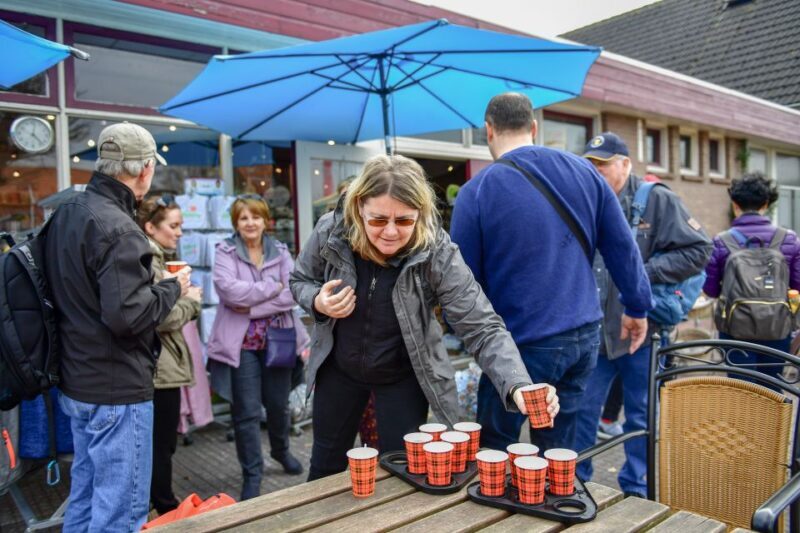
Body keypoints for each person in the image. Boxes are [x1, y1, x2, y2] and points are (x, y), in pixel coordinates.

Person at [290, 154, 559, 481]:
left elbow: (483, 327)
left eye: (404, 221)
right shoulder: (331, 229)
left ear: (420, 213)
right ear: (359, 206)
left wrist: (518, 385)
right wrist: (317, 301)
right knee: (324, 469)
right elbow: (299, 280)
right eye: (378, 220)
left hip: (404, 376)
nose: (390, 232)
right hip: (339, 370)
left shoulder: (437, 250)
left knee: (403, 474)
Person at [450, 93, 653, 454]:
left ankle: (501, 507)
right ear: (533, 127)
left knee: (497, 447)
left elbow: (464, 283)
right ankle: (557, 505)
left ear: (488, 130)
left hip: (519, 343)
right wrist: (637, 308)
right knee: (558, 450)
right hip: (584, 335)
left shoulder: (477, 191)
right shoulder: (587, 173)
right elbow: (623, 248)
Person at [45, 122, 190, 532]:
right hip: (116, 390)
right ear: (145, 169)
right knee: (120, 513)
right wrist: (170, 289)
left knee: (86, 500)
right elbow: (128, 318)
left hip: (78, 381)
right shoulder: (120, 228)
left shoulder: (69, 211)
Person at [573, 132, 712, 499]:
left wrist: (639, 273)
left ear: (626, 164)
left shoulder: (657, 200)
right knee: (581, 414)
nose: (596, 171)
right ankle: (577, 485)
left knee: (642, 418)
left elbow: (700, 250)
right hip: (595, 334)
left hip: (642, 334)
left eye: (603, 164)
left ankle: (637, 493)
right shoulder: (583, 203)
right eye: (590, 164)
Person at [206, 194, 304, 501]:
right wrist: (269, 289)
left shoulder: (281, 251)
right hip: (242, 346)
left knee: (278, 405)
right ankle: (253, 473)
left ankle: (281, 451)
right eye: (244, 218)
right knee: (246, 412)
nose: (250, 223)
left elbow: (293, 292)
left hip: (279, 340)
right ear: (236, 222)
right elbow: (229, 291)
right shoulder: (224, 251)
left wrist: (251, 306)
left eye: (256, 217)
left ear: (265, 220)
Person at [136, 195, 203, 515]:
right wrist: (190, 299)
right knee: (160, 444)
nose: (179, 233)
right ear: (150, 227)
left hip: (158, 364)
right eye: (173, 226)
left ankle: (159, 502)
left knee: (159, 443)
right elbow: (160, 316)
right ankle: (164, 507)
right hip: (157, 366)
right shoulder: (149, 258)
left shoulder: (154, 257)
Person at [703, 172, 800, 381]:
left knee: (741, 391)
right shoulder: (789, 239)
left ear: (735, 204)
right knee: (772, 388)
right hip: (777, 327)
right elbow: (797, 285)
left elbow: (710, 290)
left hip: (735, 330)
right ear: (766, 204)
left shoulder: (721, 241)